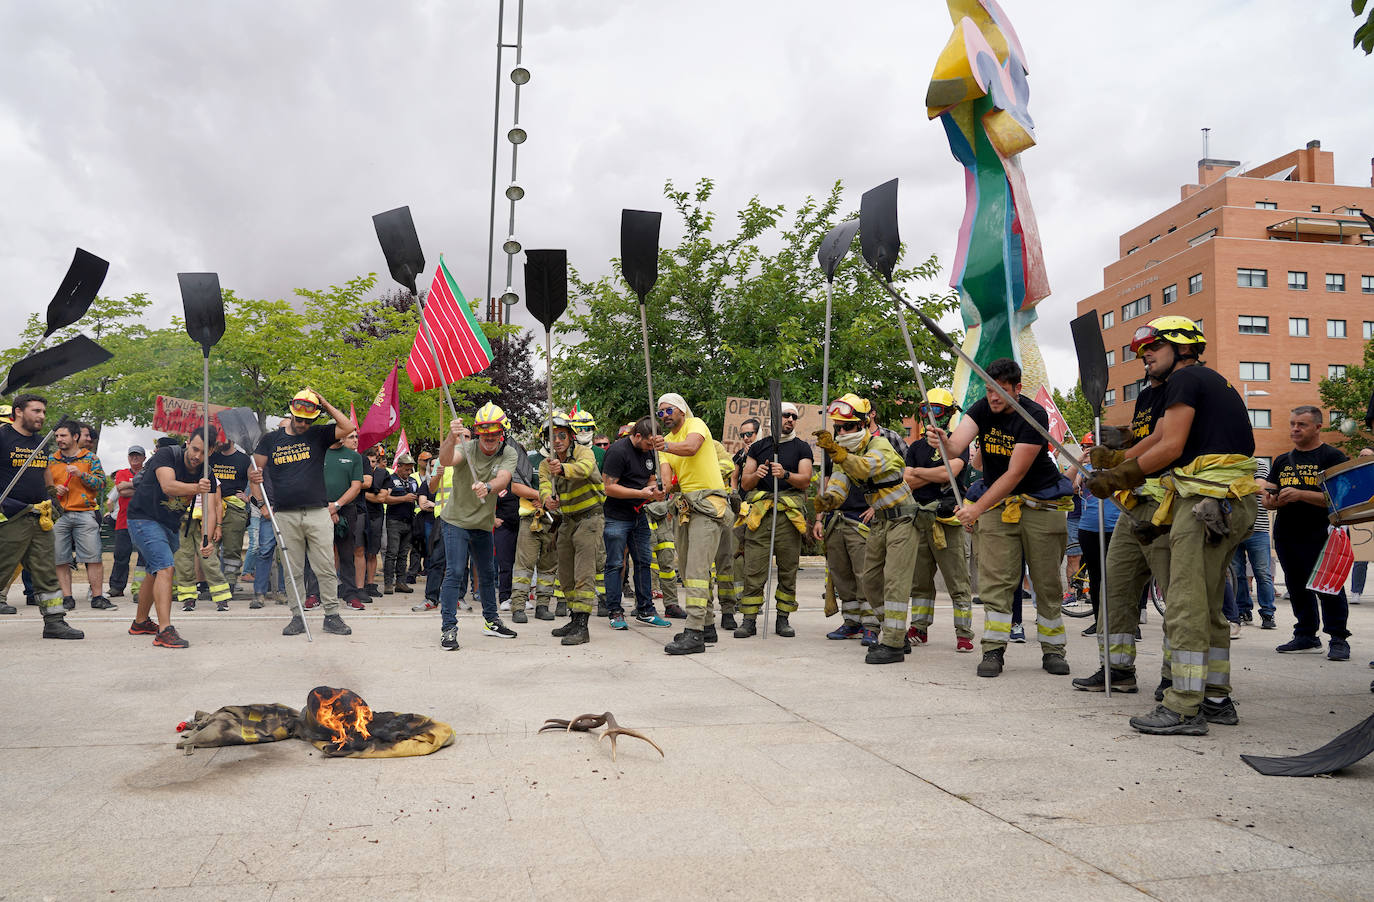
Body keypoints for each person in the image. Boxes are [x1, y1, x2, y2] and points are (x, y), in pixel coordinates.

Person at [1087, 315, 1259, 734]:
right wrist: (1117, 461)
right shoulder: (1206, 382)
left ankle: (1183, 706)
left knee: (1184, 601)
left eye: (1152, 348)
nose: (1145, 357)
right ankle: (1216, 699)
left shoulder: (1186, 381)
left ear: (1182, 347)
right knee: (1207, 599)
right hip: (1224, 501)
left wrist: (1118, 478)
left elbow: (1171, 446)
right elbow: (1158, 437)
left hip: (1205, 502)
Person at [927, 359, 1073, 678]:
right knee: (995, 581)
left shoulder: (1033, 415)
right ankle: (993, 649)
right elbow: (956, 447)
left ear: (1017, 389)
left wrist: (976, 509)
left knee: (1046, 582)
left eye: (1001, 390)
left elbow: (1015, 473)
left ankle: (1053, 651)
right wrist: (943, 440)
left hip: (1040, 503)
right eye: (989, 389)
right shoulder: (982, 408)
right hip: (996, 505)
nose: (994, 397)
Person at [1072, 365, 1172, 696]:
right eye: (1142, 352)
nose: (1146, 358)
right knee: (1113, 587)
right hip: (1134, 506)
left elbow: (1166, 441)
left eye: (1153, 349)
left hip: (1169, 506)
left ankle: (1176, 678)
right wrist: (1125, 439)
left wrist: (1119, 464)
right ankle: (1117, 670)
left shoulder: (1185, 391)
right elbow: (1147, 437)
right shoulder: (1145, 396)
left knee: (1177, 596)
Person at [815, 393, 917, 664]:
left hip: (904, 520)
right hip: (880, 522)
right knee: (871, 581)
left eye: (847, 426)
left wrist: (839, 453)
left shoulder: (880, 445)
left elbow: (863, 469)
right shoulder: (845, 454)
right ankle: (896, 632)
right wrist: (828, 500)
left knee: (894, 581)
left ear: (863, 423)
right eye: (838, 427)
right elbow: (839, 484)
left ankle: (893, 644)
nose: (842, 432)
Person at [250, 389, 356, 637]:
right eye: (299, 419)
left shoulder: (318, 435)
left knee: (326, 566)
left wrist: (324, 402)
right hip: (285, 514)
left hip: (318, 512)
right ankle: (297, 616)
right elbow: (255, 471)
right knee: (292, 569)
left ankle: (332, 616)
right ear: (291, 412)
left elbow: (348, 425)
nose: (303, 424)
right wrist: (260, 502)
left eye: (308, 419)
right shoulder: (270, 439)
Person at [1263, 406, 1350, 660]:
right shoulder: (1281, 460)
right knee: (1296, 585)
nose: (1294, 429)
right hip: (1287, 531)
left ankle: (1338, 637)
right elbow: (1269, 494)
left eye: (1301, 424)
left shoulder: (1333, 457)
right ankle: (1306, 634)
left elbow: (1341, 498)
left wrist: (1301, 494)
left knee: (1329, 585)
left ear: (1318, 427)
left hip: (1322, 532)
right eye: (1292, 424)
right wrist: (1271, 501)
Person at [652, 393, 730, 655]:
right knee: (687, 571)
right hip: (685, 507)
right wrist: (659, 488)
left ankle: (694, 632)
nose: (664, 415)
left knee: (697, 570)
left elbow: (691, 447)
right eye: (660, 412)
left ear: (682, 410)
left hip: (708, 505)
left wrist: (664, 448)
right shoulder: (665, 444)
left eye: (668, 410)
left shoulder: (696, 425)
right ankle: (707, 625)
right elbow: (667, 478)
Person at [437, 404, 519, 649]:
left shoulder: (509, 453)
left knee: (487, 574)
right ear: (478, 433)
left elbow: (504, 477)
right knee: (454, 572)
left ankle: (491, 621)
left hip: (483, 524)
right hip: (456, 522)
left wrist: (489, 487)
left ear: (502, 433)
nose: (489, 439)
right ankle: (448, 628)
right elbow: (446, 459)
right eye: (484, 434)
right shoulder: (467, 448)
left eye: (494, 433)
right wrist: (451, 438)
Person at [0, 395, 83, 636]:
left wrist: (52, 496)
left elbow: (44, 469)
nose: (42, 416)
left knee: (46, 571)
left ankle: (55, 621)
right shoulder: (3, 436)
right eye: (36, 411)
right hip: (11, 517)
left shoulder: (40, 441)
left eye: (44, 412)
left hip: (40, 516)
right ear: (18, 411)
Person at [126, 432, 215, 648]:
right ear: (187, 444)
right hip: (143, 518)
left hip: (169, 524)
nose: (197, 456)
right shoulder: (167, 455)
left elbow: (210, 509)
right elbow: (168, 485)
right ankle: (165, 631)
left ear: (211, 453)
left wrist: (207, 538)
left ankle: (140, 622)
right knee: (165, 568)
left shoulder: (207, 473)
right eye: (195, 449)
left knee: (153, 570)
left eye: (204, 452)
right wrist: (196, 488)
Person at [903, 388, 974, 652]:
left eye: (936, 410)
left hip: (948, 521)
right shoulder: (916, 447)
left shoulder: (957, 443)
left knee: (958, 581)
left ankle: (964, 634)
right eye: (924, 410)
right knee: (920, 582)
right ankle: (919, 629)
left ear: (949, 414)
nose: (929, 416)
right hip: (920, 520)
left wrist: (920, 472)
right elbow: (906, 480)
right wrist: (934, 473)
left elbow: (951, 472)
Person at [736, 401, 813, 638]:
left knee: (788, 569)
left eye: (793, 416)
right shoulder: (758, 447)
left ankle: (783, 619)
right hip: (760, 514)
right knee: (754, 568)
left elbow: (806, 480)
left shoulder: (802, 448)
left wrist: (786, 474)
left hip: (788, 515)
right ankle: (749, 620)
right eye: (785, 416)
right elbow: (745, 483)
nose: (790, 420)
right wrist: (757, 474)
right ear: (773, 419)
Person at [540, 410, 606, 645]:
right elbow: (544, 486)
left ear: (570, 436)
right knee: (566, 575)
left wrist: (564, 469)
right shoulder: (546, 464)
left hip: (590, 519)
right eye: (553, 437)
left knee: (584, 572)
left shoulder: (583, 452)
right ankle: (574, 617)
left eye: (561, 435)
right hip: (566, 522)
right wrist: (548, 499)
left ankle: (582, 626)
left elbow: (585, 469)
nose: (557, 440)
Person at [601, 417, 670, 628]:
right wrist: (640, 493)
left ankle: (645, 609)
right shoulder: (617, 451)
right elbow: (609, 487)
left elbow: (649, 477)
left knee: (643, 561)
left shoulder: (649, 451)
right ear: (637, 436)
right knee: (615, 563)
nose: (651, 448)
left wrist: (655, 489)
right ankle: (614, 611)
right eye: (649, 443)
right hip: (616, 516)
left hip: (639, 514)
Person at [49, 419, 113, 611]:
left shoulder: (90, 458)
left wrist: (81, 475)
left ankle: (98, 597)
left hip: (85, 513)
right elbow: (43, 487)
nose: (59, 439)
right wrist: (53, 489)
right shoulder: (51, 460)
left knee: (93, 557)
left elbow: (101, 484)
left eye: (63, 436)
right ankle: (67, 598)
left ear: (75, 437)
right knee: (60, 558)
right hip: (59, 515)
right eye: (57, 436)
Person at [1071, 439, 1120, 638]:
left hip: (1115, 527)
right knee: (1096, 577)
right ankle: (1099, 621)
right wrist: (1079, 461)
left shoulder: (1119, 466)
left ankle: (1128, 624)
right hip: (1089, 528)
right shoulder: (1086, 468)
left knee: (1119, 578)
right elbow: (1072, 487)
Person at [1230, 461, 1275, 630]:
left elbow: (1259, 487)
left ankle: (1268, 612)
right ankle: (1243, 610)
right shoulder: (1230, 462)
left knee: (1263, 573)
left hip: (1259, 528)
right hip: (1235, 529)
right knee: (1237, 574)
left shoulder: (1259, 463)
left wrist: (1233, 485)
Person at [324, 430, 366, 609]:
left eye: (356, 436)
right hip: (319, 509)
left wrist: (336, 506)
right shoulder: (318, 453)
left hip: (347, 510)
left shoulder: (354, 457)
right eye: (351, 435)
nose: (355, 439)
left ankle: (350, 594)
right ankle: (314, 594)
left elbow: (356, 487)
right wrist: (327, 507)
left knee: (347, 554)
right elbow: (311, 482)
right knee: (318, 555)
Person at [209, 438, 252, 591]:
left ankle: (230, 583)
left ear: (231, 438)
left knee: (232, 549)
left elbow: (255, 479)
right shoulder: (211, 456)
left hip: (235, 508)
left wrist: (249, 497)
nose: (219, 441)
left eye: (222, 437)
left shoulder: (244, 459)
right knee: (209, 548)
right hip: (211, 506)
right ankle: (214, 585)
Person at [108, 445, 146, 599]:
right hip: (124, 521)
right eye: (132, 455)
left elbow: (150, 489)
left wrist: (131, 486)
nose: (134, 458)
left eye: (138, 455)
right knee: (121, 555)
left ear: (144, 458)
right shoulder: (122, 473)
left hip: (145, 520)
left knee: (144, 556)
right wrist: (142, 487)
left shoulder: (148, 472)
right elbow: (121, 491)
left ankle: (140, 589)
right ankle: (116, 587)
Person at [381, 453, 419, 594]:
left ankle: (401, 582)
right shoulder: (391, 480)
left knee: (404, 554)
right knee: (392, 553)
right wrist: (403, 498)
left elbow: (419, 496)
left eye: (411, 470)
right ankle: (388, 583)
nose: (409, 472)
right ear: (399, 466)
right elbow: (384, 498)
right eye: (406, 469)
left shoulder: (413, 481)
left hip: (409, 521)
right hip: (394, 521)